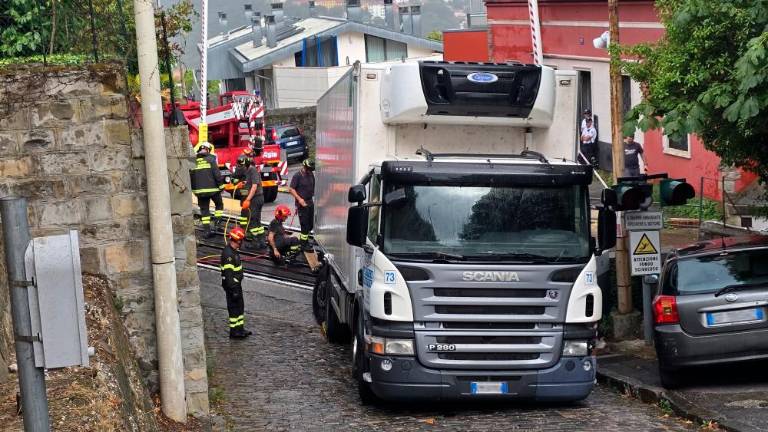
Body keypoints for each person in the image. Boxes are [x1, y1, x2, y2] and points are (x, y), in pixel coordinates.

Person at [220, 226, 252, 339]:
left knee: (240, 307)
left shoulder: (233, 251)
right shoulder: (229, 254)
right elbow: (228, 276)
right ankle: (234, 332)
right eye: (241, 240)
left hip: (236, 285)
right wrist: (233, 290)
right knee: (234, 309)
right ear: (238, 240)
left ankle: (240, 329)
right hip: (232, 287)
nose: (242, 242)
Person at [190, 142, 224, 237]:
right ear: (208, 150)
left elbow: (190, 175)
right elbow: (217, 174)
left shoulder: (193, 161)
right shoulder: (211, 159)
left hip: (200, 192)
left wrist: (194, 190)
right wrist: (221, 186)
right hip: (213, 190)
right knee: (219, 204)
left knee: (204, 211)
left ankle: (207, 231)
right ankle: (217, 225)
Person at [232, 153, 266, 248]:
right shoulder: (249, 170)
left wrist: (247, 199)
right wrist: (242, 183)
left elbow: (254, 186)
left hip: (255, 199)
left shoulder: (252, 170)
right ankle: (262, 241)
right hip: (256, 198)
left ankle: (255, 243)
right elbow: (248, 182)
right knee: (257, 220)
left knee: (252, 221)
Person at [288, 159, 316, 250]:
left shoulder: (311, 174)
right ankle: (304, 244)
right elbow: (291, 189)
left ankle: (304, 240)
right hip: (302, 203)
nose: (310, 171)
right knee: (305, 225)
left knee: (311, 224)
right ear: (304, 167)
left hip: (310, 201)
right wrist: (299, 199)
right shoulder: (297, 176)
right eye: (309, 169)